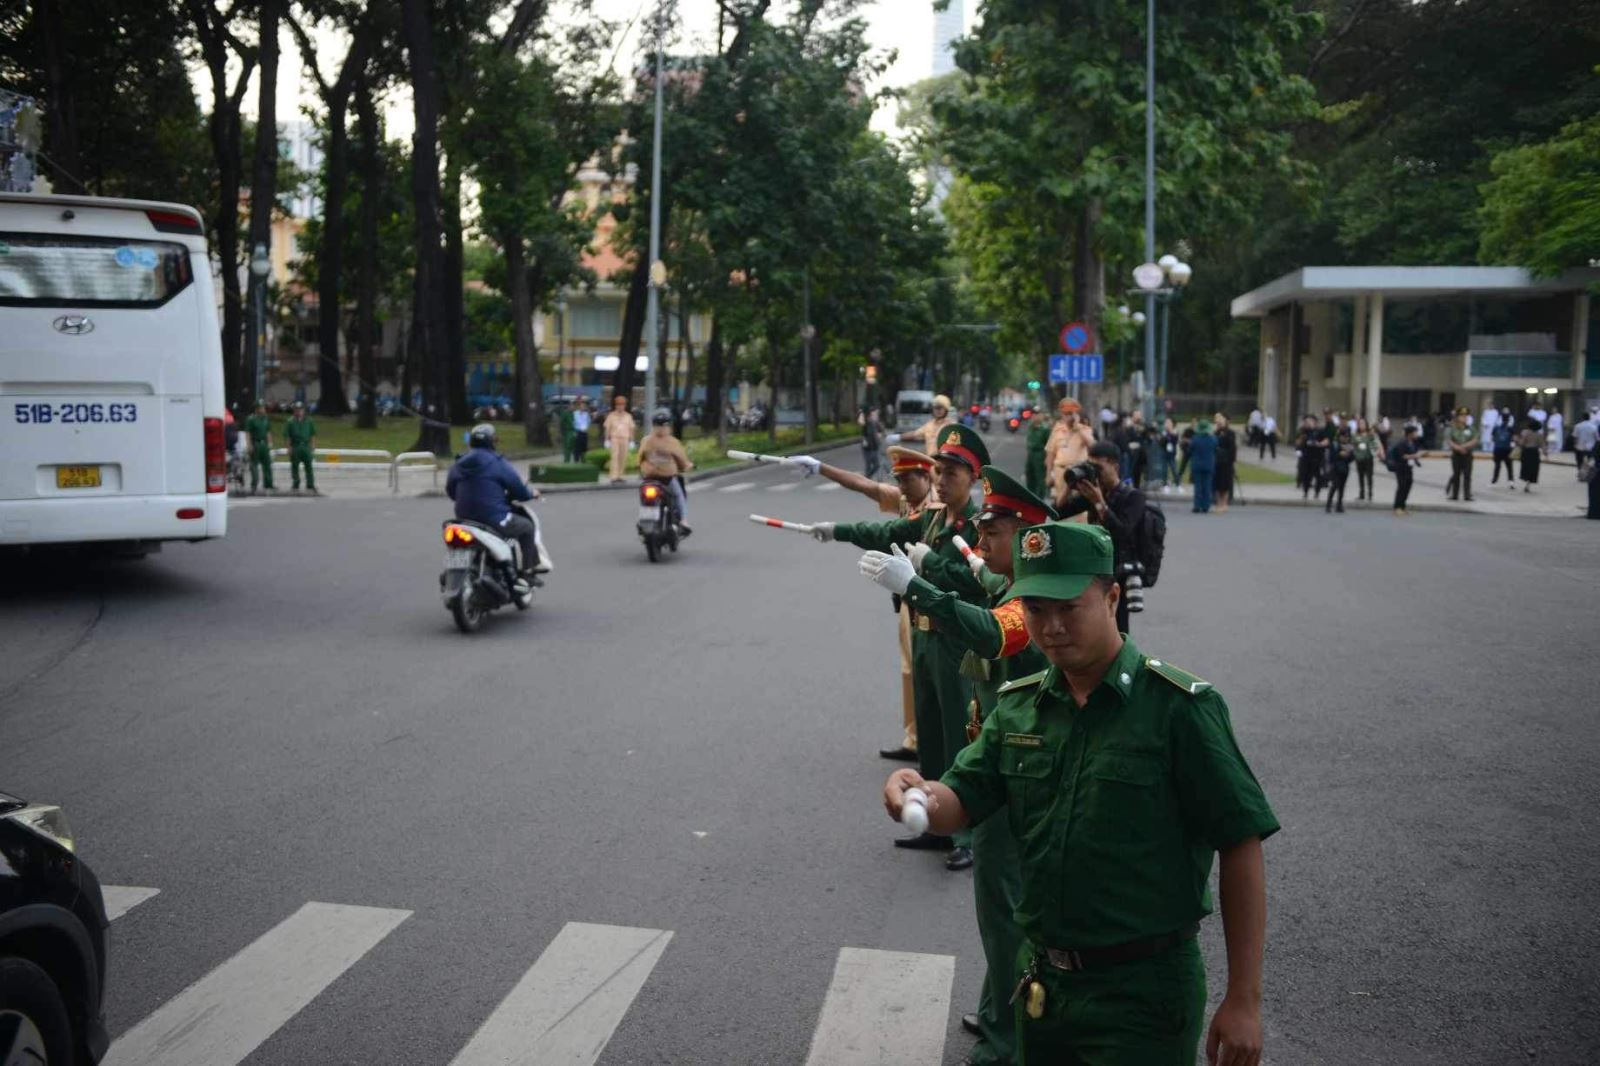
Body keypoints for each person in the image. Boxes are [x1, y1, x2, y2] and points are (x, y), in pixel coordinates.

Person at [883, 521, 1278, 1066]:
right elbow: (964, 796)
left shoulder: (1178, 709)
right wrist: (919, 793)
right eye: (1037, 609)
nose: (1052, 627)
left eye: (1069, 607)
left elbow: (1241, 843)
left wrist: (1244, 1000)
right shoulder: (1019, 707)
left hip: (1143, 995)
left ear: (1112, 597)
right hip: (1044, 988)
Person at [858, 466, 1053, 1066]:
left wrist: (915, 586)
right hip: (995, 761)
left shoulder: (1029, 599)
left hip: (1020, 775)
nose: (982, 537)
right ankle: (1000, 1010)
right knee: (997, 916)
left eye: (993, 529)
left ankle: (1009, 1039)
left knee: (1008, 915)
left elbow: (994, 635)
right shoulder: (1004, 583)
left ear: (1025, 536)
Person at [812, 425, 992, 872]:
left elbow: (974, 582)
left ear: (974, 479)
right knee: (929, 735)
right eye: (940, 471)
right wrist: (835, 530)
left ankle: (965, 830)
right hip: (926, 637)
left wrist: (928, 565)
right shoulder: (931, 520)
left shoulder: (976, 528)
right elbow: (882, 530)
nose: (942, 479)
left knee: (958, 738)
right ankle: (934, 822)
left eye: (952, 472)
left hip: (956, 642)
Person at [787, 444, 936, 764]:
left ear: (925, 477)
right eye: (898, 481)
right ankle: (915, 739)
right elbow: (864, 485)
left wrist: (836, 530)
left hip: (933, 603)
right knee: (910, 670)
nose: (901, 489)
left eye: (907, 481)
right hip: (908, 600)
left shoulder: (933, 508)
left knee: (929, 673)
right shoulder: (906, 500)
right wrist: (820, 467)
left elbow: (879, 533)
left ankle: (938, 743)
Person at [1056, 441, 1149, 635]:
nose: (1095, 472)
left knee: (1118, 623)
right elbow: (1058, 512)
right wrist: (1069, 485)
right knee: (1094, 620)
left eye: (1098, 467)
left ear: (1114, 466)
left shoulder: (1133, 497)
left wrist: (1099, 502)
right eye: (1091, 466)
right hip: (1096, 566)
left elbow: (1122, 532)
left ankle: (1123, 662)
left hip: (1120, 568)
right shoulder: (1094, 492)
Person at [445, 423, 543, 592]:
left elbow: (451, 490)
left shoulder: (458, 463)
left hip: (463, 519)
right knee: (526, 527)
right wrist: (530, 493)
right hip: (493, 518)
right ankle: (527, 572)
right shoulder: (497, 462)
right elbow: (518, 488)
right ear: (491, 442)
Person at [637, 412, 694, 533]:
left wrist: (643, 468)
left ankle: (642, 520)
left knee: (644, 498)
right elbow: (681, 460)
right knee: (679, 496)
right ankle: (683, 520)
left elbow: (640, 458)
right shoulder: (672, 442)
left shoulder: (646, 440)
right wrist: (687, 466)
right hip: (666, 478)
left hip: (649, 477)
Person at [1045, 399, 1095, 498]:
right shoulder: (1057, 431)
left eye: (1071, 413)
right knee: (1061, 504)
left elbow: (1093, 446)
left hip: (1078, 473)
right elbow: (1050, 454)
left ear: (1076, 415)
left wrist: (1078, 428)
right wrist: (1049, 474)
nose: (1068, 417)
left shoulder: (1084, 430)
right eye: (1066, 414)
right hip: (1060, 472)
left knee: (1078, 504)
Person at [887, 394, 955, 452]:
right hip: (931, 460)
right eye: (936, 408)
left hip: (946, 461)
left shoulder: (951, 425)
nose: (937, 411)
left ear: (946, 410)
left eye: (940, 408)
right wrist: (898, 437)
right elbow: (914, 434)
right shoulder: (929, 425)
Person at [1387, 423, 1421, 516]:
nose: (1416, 434)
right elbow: (1402, 456)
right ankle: (1397, 507)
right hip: (1401, 468)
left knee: (1408, 486)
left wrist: (1416, 459)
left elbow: (1414, 453)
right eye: (1415, 432)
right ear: (1409, 433)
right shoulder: (1402, 443)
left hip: (1409, 468)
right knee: (1401, 487)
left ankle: (1403, 506)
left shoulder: (1413, 443)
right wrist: (1414, 456)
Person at [1445, 406, 1476, 502]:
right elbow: (1449, 441)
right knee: (1456, 474)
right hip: (1456, 454)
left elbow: (1475, 440)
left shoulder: (1471, 429)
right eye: (1462, 416)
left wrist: (1464, 446)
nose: (1465, 418)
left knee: (1467, 475)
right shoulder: (1452, 429)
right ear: (1457, 417)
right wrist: (1459, 448)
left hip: (1468, 454)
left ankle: (1467, 495)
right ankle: (1454, 495)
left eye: (1466, 416)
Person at [284, 401, 317, 493]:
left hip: (305, 445)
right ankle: (295, 484)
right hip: (296, 446)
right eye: (297, 410)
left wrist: (313, 445)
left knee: (309, 466)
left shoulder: (309, 421)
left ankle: (310, 484)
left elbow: (312, 434)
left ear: (304, 410)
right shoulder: (290, 422)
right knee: (295, 466)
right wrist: (288, 447)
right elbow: (287, 436)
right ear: (294, 411)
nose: (299, 412)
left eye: (301, 410)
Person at [603, 394, 635, 483]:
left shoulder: (628, 416)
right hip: (614, 438)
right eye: (618, 405)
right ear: (616, 405)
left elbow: (631, 429)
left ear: (625, 406)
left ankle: (621, 475)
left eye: (622, 405)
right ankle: (614, 476)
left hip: (625, 438)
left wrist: (632, 441)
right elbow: (607, 428)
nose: (620, 407)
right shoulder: (611, 416)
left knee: (623, 457)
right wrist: (606, 440)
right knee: (614, 457)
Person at [244, 401, 275, 493]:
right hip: (255, 444)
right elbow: (248, 433)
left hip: (264, 444)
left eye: (263, 407)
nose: (263, 409)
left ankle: (268, 484)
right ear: (257, 409)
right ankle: (254, 484)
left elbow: (268, 432)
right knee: (254, 465)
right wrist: (249, 445)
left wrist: (270, 443)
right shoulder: (251, 419)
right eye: (261, 408)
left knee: (267, 464)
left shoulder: (265, 419)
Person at [1188, 419, 1218, 513]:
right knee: (1207, 486)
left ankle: (1197, 505)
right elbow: (1215, 449)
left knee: (1198, 486)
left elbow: (1190, 450)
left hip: (1197, 465)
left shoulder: (1195, 438)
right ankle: (1206, 506)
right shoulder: (1213, 439)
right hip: (1209, 465)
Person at [1024, 406, 1052, 497]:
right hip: (1031, 454)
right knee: (1029, 474)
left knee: (1040, 477)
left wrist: (1047, 459)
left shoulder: (1045, 429)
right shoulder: (1030, 426)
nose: (1036, 416)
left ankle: (1040, 498)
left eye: (1038, 414)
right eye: (1034, 414)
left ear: (1042, 416)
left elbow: (1049, 446)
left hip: (1040, 454)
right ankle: (1031, 495)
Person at [1213, 413, 1237, 513]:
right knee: (1217, 483)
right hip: (1216, 461)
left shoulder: (1230, 433)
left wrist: (1231, 460)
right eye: (1217, 419)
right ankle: (1218, 503)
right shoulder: (1215, 432)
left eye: (1221, 418)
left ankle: (1224, 503)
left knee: (1225, 483)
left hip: (1226, 462)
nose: (1218, 420)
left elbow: (1232, 448)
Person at [1326, 430, 1355, 514]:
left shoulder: (1349, 446)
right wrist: (1339, 454)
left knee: (1342, 488)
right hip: (1336, 469)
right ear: (1340, 437)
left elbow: (1352, 458)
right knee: (1334, 486)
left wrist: (1348, 454)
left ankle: (1339, 505)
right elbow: (1331, 457)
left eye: (1347, 437)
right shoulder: (1335, 445)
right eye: (1344, 437)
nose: (1345, 439)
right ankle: (1328, 504)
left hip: (1345, 469)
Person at [1293, 415, 1321, 499]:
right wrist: (1298, 449)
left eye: (1311, 422)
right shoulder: (1303, 431)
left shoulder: (1319, 431)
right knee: (1306, 475)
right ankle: (1305, 491)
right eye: (1308, 422)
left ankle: (1317, 492)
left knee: (1317, 476)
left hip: (1316, 457)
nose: (1309, 423)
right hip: (1306, 456)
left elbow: (1323, 442)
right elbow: (1298, 442)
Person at [1490, 415, 1516, 486]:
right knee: (1509, 466)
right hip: (1507, 449)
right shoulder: (1510, 429)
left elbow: (1492, 438)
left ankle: (1494, 480)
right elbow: (1513, 439)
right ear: (1508, 420)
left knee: (1497, 465)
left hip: (1498, 448)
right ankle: (1511, 481)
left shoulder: (1496, 428)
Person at [1518, 420, 1542, 492]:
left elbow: (1521, 443)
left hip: (1526, 452)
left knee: (1526, 467)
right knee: (1533, 468)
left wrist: (1518, 441)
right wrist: (1545, 453)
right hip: (1534, 452)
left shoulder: (1525, 433)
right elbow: (1542, 444)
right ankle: (1528, 483)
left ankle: (1526, 481)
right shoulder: (1539, 434)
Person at [1573, 410, 1598, 481]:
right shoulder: (1594, 427)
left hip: (1580, 447)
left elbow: (1575, 437)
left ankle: (1581, 476)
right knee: (1591, 462)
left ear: (1582, 418)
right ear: (1589, 418)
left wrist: (1575, 446)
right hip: (1591, 448)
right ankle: (1589, 476)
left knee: (1579, 462)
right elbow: (1597, 438)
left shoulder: (1577, 426)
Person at [859, 407, 883, 479]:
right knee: (868, 465)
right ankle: (867, 479)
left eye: (875, 415)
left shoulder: (876, 423)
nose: (874, 416)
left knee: (877, 465)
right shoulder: (866, 423)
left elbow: (881, 432)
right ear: (869, 415)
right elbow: (860, 422)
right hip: (867, 448)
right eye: (872, 415)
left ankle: (867, 477)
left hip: (875, 447)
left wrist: (879, 435)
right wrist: (861, 413)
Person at [571, 396, 593, 463]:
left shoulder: (586, 414)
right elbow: (572, 422)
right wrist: (574, 431)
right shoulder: (575, 414)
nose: (583, 407)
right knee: (577, 447)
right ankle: (576, 460)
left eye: (584, 406)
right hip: (577, 432)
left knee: (584, 447)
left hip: (584, 432)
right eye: (581, 406)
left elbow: (589, 422)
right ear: (579, 407)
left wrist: (587, 428)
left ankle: (583, 460)